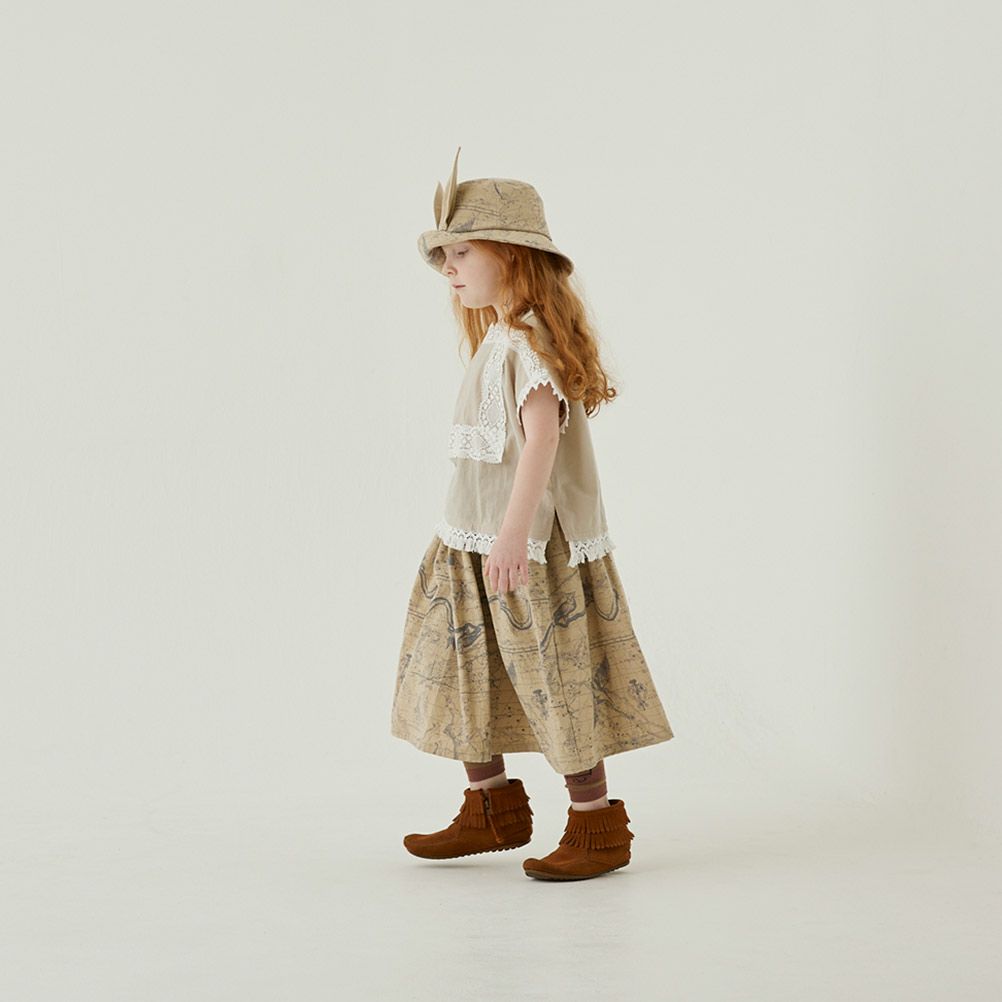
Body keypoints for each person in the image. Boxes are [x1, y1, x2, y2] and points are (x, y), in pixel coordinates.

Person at [390, 146, 675, 881]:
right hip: (469, 538)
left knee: (552, 671)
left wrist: (514, 535)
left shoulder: (525, 343)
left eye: (462, 252)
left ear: (512, 256)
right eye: (443, 256)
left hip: (523, 545)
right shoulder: (497, 339)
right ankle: (491, 807)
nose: (447, 268)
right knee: (465, 667)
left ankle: (595, 824)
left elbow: (542, 438)